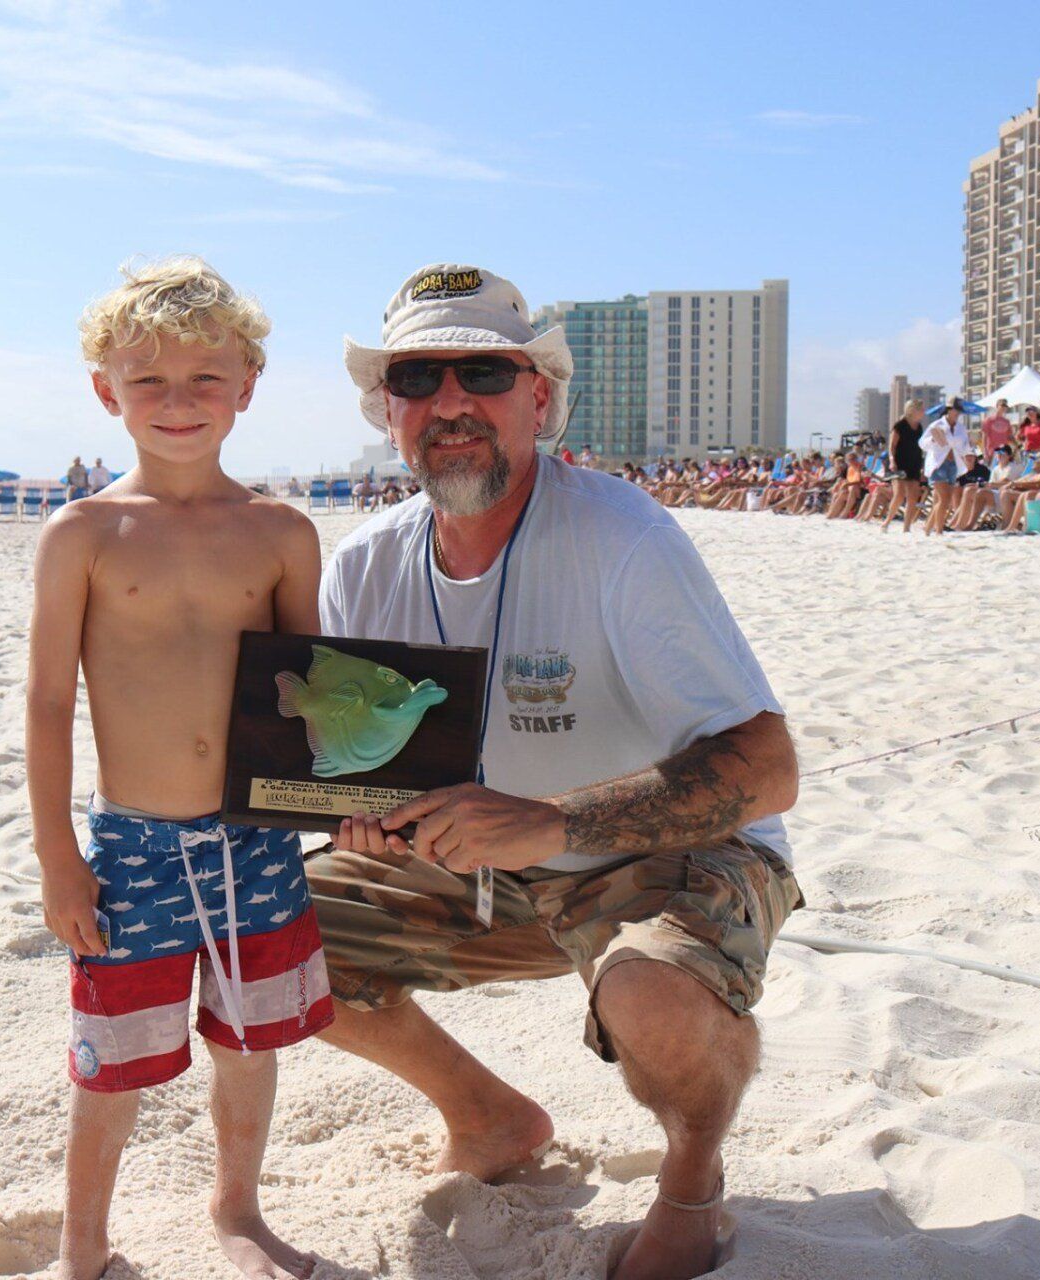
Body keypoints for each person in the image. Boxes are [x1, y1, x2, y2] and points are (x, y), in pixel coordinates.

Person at [314, 263, 800, 1280]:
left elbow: (768, 765)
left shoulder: (622, 538)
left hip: (667, 856)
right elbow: (359, 769)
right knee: (257, 935)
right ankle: (487, 1114)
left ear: (538, 394)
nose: (450, 403)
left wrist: (547, 818)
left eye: (483, 371)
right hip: (479, 867)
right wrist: (358, 820)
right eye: (417, 379)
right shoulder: (362, 564)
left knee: (652, 996)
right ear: (385, 407)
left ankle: (694, 1186)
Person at [29, 257, 330, 1280]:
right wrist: (59, 859)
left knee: (251, 1040)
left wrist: (359, 795)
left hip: (259, 839)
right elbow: (44, 703)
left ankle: (237, 1208)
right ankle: (84, 1246)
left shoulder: (283, 531)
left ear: (247, 385)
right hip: (133, 842)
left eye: (206, 377)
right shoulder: (84, 532)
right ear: (105, 391)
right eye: (147, 379)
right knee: (111, 1058)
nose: (178, 401)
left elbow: (311, 696)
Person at [921, 400, 970, 535]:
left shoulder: (961, 428)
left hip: (953, 465)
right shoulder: (937, 425)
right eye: (956, 410)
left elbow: (965, 446)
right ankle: (939, 530)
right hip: (938, 464)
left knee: (942, 500)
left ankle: (927, 529)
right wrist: (934, 439)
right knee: (944, 499)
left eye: (959, 410)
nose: (958, 413)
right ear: (949, 410)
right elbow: (922, 443)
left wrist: (969, 456)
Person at [879, 399, 926, 532]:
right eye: (921, 409)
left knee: (913, 496)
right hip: (899, 463)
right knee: (899, 494)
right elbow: (892, 446)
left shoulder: (919, 427)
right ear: (912, 410)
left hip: (914, 462)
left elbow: (919, 447)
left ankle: (906, 527)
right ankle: (887, 521)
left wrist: (922, 467)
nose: (923, 412)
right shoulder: (900, 425)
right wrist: (892, 460)